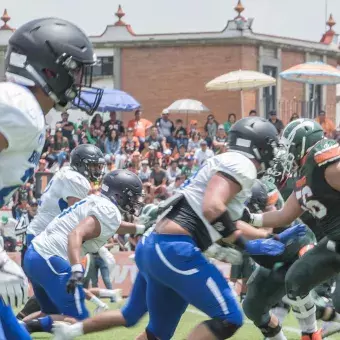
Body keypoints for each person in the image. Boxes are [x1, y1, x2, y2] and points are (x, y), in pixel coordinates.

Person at [52, 117, 290, 340]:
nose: (275, 152)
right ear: (258, 145)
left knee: (157, 334)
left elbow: (231, 219)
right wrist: (242, 245)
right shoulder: (242, 163)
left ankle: (74, 332)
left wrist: (268, 236)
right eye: (272, 145)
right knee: (229, 318)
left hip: (159, 246)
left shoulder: (227, 164)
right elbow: (213, 207)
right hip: (175, 249)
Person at [0, 16, 103, 339]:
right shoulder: (20, 106)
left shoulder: (24, 109)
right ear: (50, 68)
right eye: (75, 70)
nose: (78, 80)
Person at [243, 118, 340, 339]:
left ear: (304, 143)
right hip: (335, 242)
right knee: (296, 280)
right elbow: (284, 215)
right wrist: (250, 218)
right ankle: (311, 334)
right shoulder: (305, 177)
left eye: (290, 148)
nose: (286, 155)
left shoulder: (324, 160)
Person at [23, 170, 144, 334]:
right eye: (132, 196)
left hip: (36, 255)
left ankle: (9, 330)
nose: (135, 201)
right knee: (80, 321)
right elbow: (76, 234)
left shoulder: (98, 203)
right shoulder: (108, 210)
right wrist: (76, 269)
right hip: (51, 258)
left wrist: (140, 228)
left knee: (50, 314)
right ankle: (23, 327)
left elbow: (110, 224)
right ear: (120, 194)